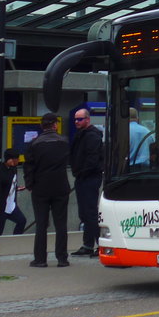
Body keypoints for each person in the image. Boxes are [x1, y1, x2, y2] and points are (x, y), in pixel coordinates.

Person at [24, 112, 70, 267]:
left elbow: (29, 167)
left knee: (41, 224)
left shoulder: (34, 144)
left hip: (40, 187)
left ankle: (40, 259)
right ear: (55, 125)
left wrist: (30, 184)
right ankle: (62, 258)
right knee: (61, 224)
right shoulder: (64, 142)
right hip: (60, 186)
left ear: (41, 126)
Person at [70, 108, 103, 257]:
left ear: (87, 119)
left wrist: (81, 172)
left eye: (80, 119)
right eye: (75, 119)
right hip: (84, 176)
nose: (76, 122)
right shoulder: (83, 134)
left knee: (90, 212)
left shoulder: (91, 136)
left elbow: (92, 159)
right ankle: (88, 244)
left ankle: (99, 244)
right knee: (85, 212)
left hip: (89, 177)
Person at [0, 148, 27, 235]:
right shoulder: (1, 170)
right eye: (16, 159)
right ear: (10, 159)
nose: (18, 161)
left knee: (22, 221)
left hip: (11, 205)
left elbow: (11, 184)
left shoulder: (14, 169)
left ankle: (16, 239)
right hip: (2, 206)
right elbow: (3, 184)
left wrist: (16, 188)